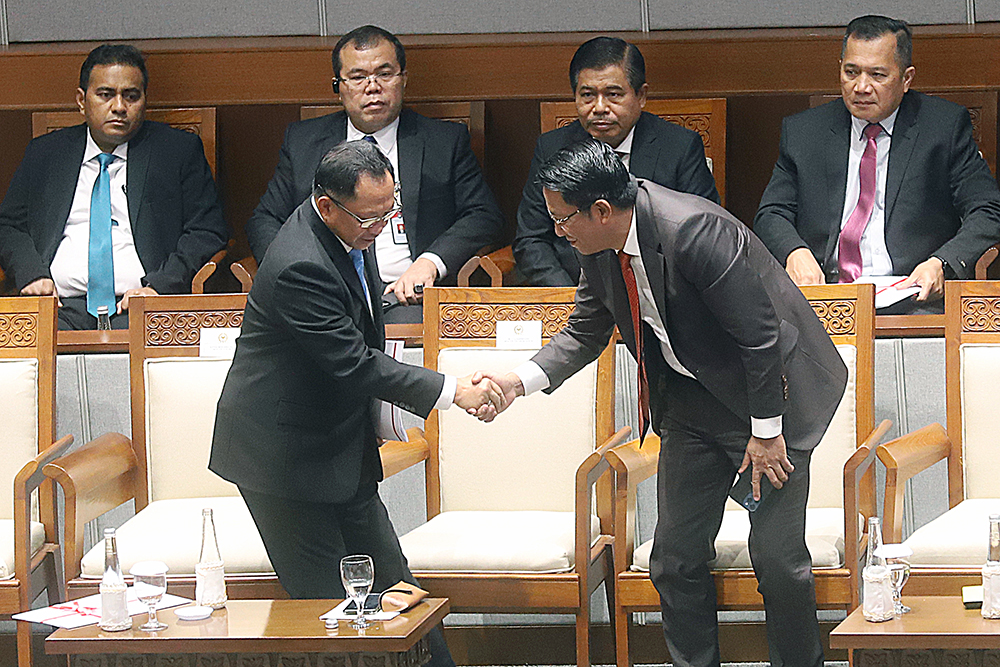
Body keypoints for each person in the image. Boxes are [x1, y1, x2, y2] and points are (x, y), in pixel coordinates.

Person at [481, 140, 847, 667]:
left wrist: (767, 433)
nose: (559, 232)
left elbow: (760, 337)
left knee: (777, 558)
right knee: (673, 559)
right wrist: (518, 382)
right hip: (691, 406)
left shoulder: (694, 231)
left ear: (601, 211)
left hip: (770, 401)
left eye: (563, 221)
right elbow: (585, 330)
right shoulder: (602, 249)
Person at [210, 141, 504, 667]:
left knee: (401, 594)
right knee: (335, 618)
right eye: (372, 218)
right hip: (283, 461)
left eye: (390, 211)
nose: (381, 226)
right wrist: (452, 389)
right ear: (327, 206)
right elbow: (355, 363)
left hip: (340, 447)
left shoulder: (351, 227)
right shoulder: (300, 264)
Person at [246, 25, 504, 322]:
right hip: (327, 292)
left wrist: (430, 263)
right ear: (338, 87)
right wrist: (296, 272)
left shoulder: (444, 141)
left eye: (384, 74)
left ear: (403, 79)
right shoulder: (303, 142)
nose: (372, 87)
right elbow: (264, 220)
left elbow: (483, 215)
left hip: (408, 299)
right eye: (357, 77)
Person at [754, 15, 1000, 312]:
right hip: (823, 296)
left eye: (878, 75)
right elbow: (772, 213)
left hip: (913, 297)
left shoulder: (943, 128)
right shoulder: (805, 133)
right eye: (851, 72)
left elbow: (987, 210)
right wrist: (795, 252)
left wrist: (941, 263)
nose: (861, 87)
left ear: (906, 79)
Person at [0, 44, 227, 330]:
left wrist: (158, 287)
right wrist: (31, 274)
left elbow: (207, 231)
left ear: (144, 99)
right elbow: (8, 225)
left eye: (131, 96)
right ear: (82, 100)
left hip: (144, 305)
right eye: (105, 95)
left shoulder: (177, 152)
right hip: (59, 306)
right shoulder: (46, 154)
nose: (119, 107)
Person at [513, 36, 719, 286]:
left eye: (613, 94)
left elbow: (704, 236)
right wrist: (568, 296)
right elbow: (531, 239)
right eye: (587, 95)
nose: (599, 108)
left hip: (658, 294)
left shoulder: (680, 148)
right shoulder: (553, 148)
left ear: (641, 96)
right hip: (573, 291)